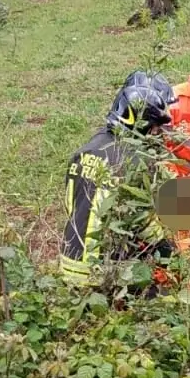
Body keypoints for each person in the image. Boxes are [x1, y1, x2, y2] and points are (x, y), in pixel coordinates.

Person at [59, 72, 176, 286]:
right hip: (104, 269)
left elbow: (72, 202)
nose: (159, 134)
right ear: (141, 126)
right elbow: (140, 218)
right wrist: (165, 245)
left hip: (70, 259)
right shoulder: (135, 161)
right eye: (155, 128)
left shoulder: (91, 147)